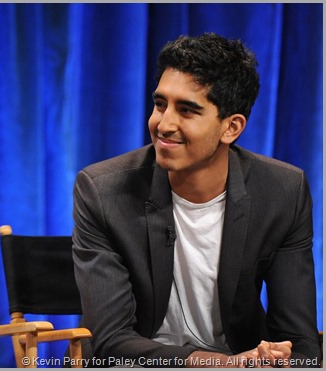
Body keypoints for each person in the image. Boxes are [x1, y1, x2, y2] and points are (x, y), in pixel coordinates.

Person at [72, 33, 321, 368]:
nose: (164, 124)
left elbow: (299, 339)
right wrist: (221, 363)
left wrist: (278, 361)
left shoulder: (282, 191)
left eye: (187, 110)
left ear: (231, 128)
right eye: (160, 104)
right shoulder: (102, 190)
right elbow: (111, 339)